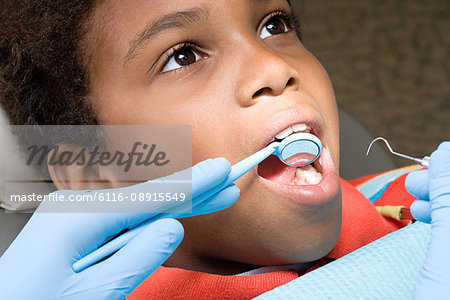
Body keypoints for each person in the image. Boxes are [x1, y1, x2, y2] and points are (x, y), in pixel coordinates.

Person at [0, 0, 448, 299]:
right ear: (96, 172)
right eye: (183, 56)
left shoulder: (420, 203)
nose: (275, 67)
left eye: (275, 24)